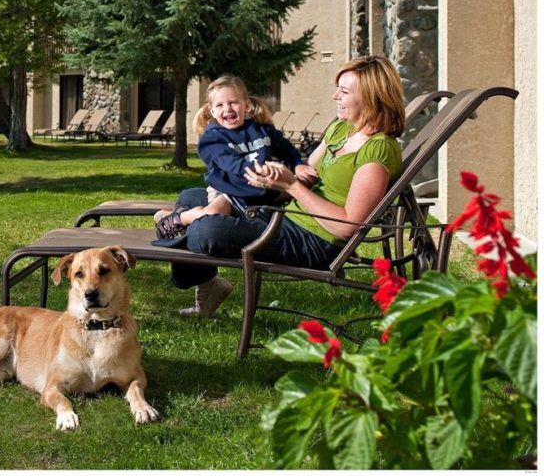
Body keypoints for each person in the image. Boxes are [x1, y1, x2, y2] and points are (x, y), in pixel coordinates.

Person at [159, 56, 406, 318]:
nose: (335, 95)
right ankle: (209, 284)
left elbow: (349, 226)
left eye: (344, 91)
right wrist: (268, 179)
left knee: (206, 230)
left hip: (315, 239)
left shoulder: (378, 149)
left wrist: (291, 187)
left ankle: (182, 228)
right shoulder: (341, 129)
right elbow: (305, 173)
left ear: (371, 96)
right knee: (191, 195)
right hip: (287, 214)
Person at [153, 75, 318, 242]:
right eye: (220, 105)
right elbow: (229, 163)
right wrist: (257, 170)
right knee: (213, 214)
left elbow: (286, 149)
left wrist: (297, 165)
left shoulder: (262, 130)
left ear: (246, 105)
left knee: (300, 187)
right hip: (229, 189)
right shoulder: (212, 138)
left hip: (261, 188)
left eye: (233, 102)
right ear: (212, 110)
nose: (227, 109)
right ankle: (182, 218)